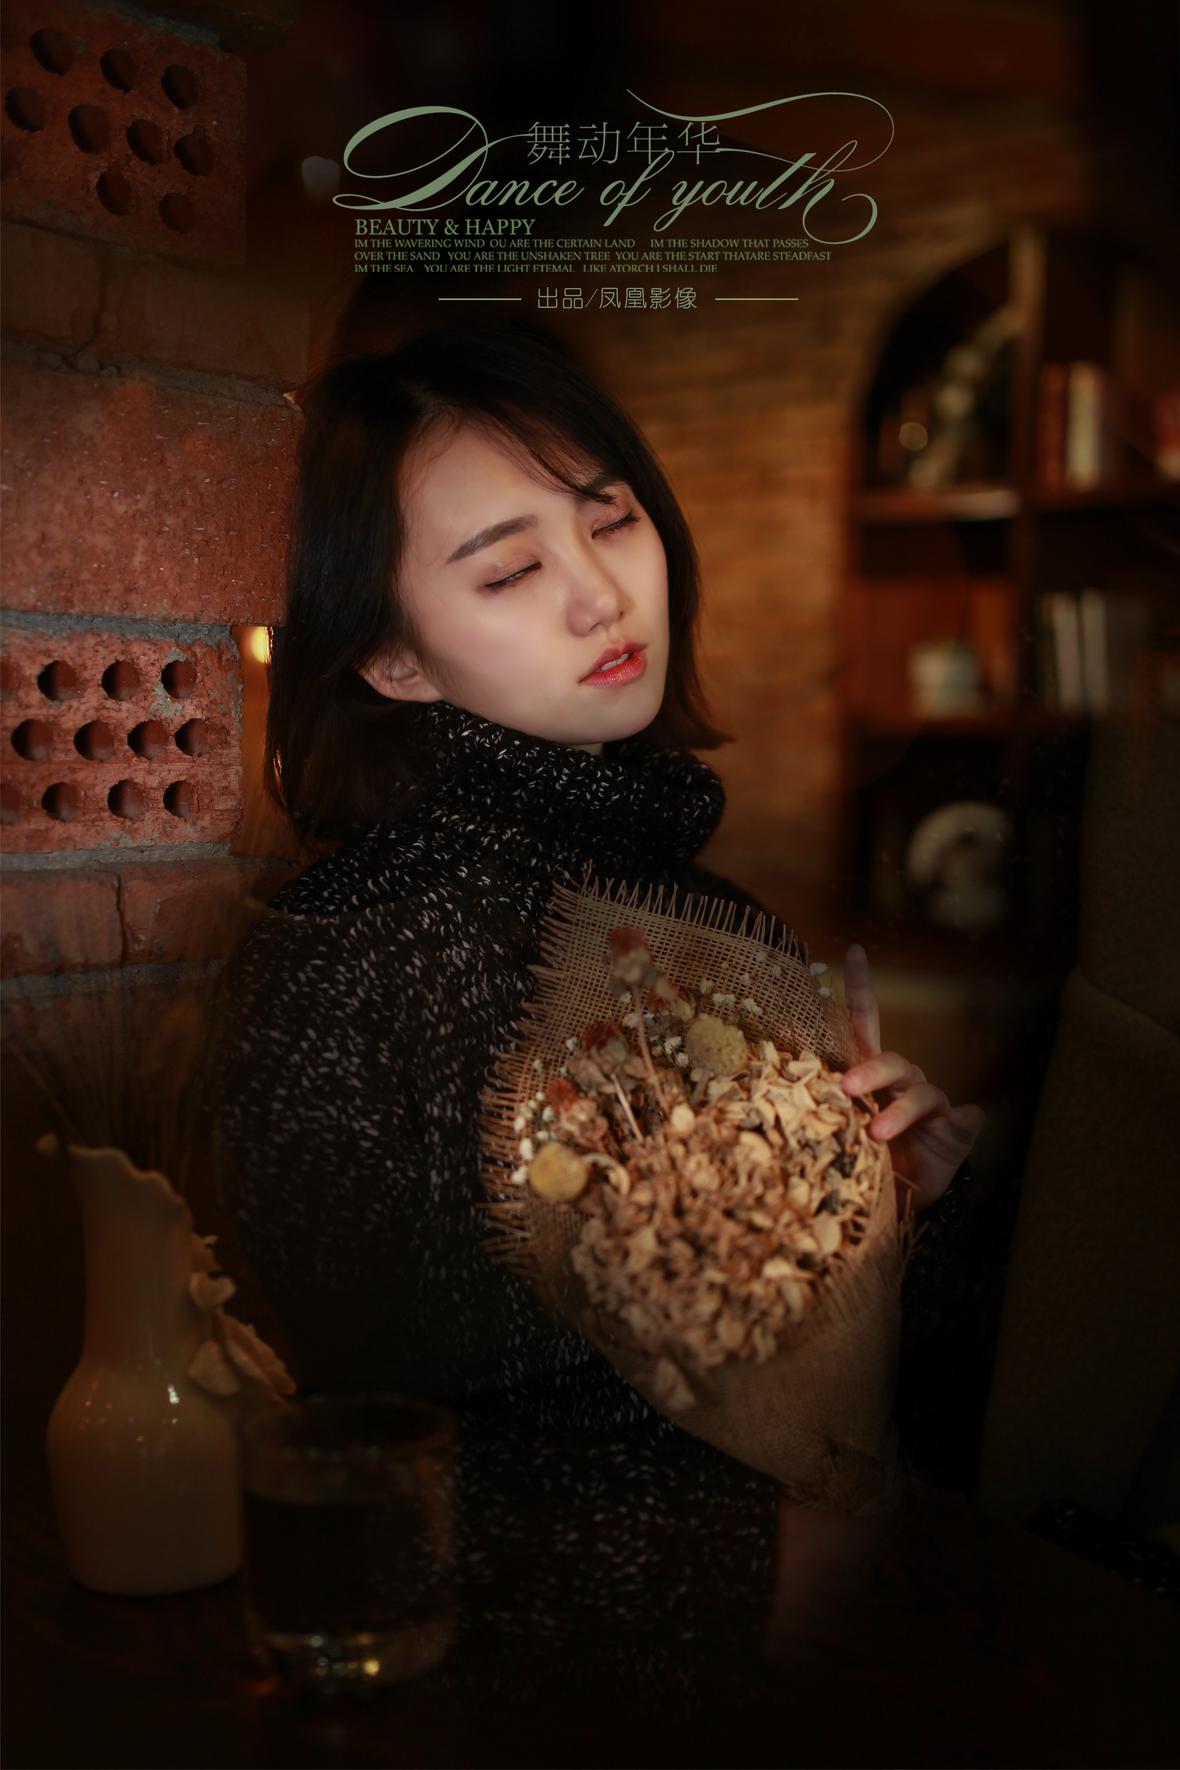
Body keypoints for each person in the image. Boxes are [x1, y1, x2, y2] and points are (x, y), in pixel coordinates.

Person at [210, 316, 984, 1670]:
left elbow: (855, 1390)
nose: (599, 596)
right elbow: (346, 1440)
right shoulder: (355, 950)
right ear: (394, 658)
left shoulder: (714, 923)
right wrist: (747, 1567)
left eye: (612, 520)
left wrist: (905, 1209)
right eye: (510, 569)